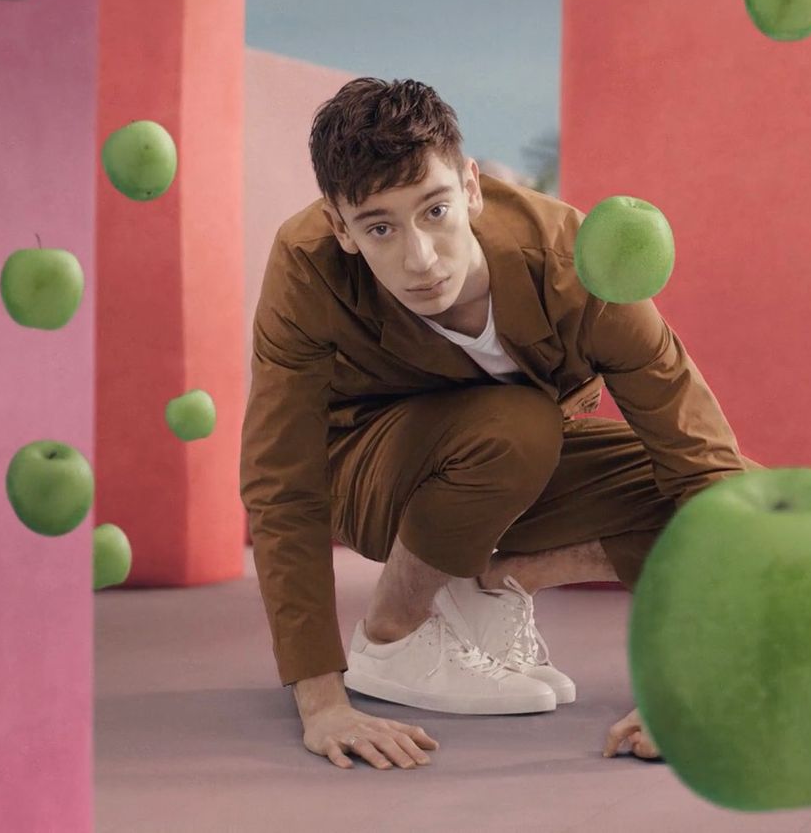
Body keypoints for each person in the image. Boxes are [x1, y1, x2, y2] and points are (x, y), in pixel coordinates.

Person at [240, 77, 760, 771]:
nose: (419, 258)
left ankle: (497, 577)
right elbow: (284, 484)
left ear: (472, 187)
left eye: (435, 210)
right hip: (371, 476)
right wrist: (321, 700)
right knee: (516, 424)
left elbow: (699, 461)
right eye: (380, 227)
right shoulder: (307, 268)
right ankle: (394, 636)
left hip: (516, 472)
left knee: (749, 505)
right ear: (341, 228)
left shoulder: (581, 265)